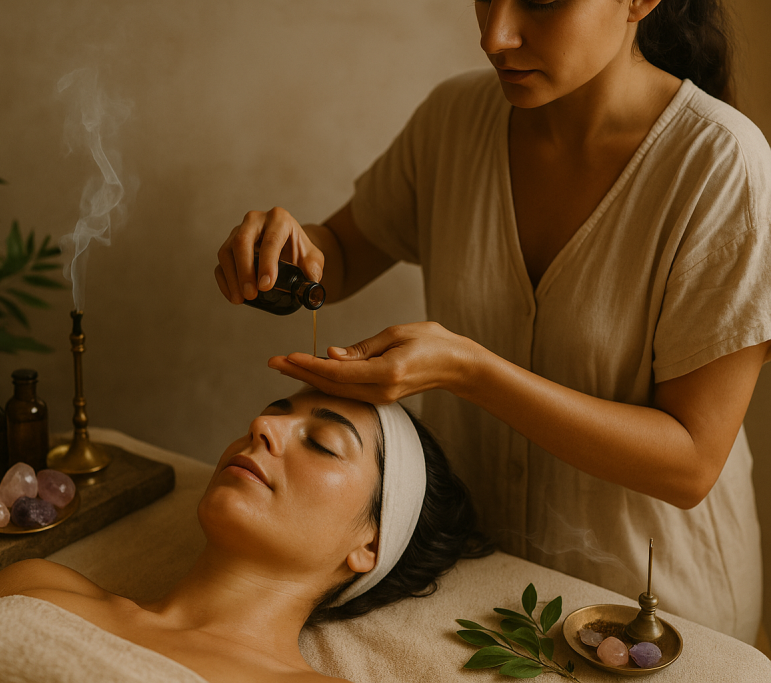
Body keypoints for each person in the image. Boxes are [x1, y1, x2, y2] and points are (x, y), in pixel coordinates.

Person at [215, 0, 771, 643]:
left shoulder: (722, 167)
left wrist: (470, 372)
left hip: (652, 616)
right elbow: (338, 253)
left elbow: (690, 464)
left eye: (540, 0)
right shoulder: (452, 120)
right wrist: (283, 252)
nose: (495, 36)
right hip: (477, 587)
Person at [0, 390, 488, 683]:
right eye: (274, 412)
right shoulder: (33, 584)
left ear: (369, 545)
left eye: (321, 443)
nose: (263, 426)